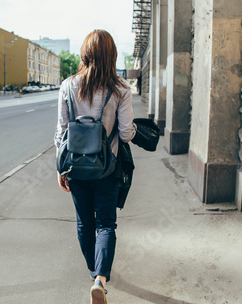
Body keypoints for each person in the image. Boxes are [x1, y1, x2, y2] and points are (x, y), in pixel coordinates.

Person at [54, 29, 136, 303]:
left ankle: (94, 272)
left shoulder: (67, 86)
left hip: (75, 168)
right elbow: (125, 135)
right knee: (106, 224)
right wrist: (135, 129)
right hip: (108, 168)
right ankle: (101, 278)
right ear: (112, 56)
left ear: (85, 54)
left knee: (84, 224)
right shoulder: (121, 89)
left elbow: (61, 132)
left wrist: (59, 169)